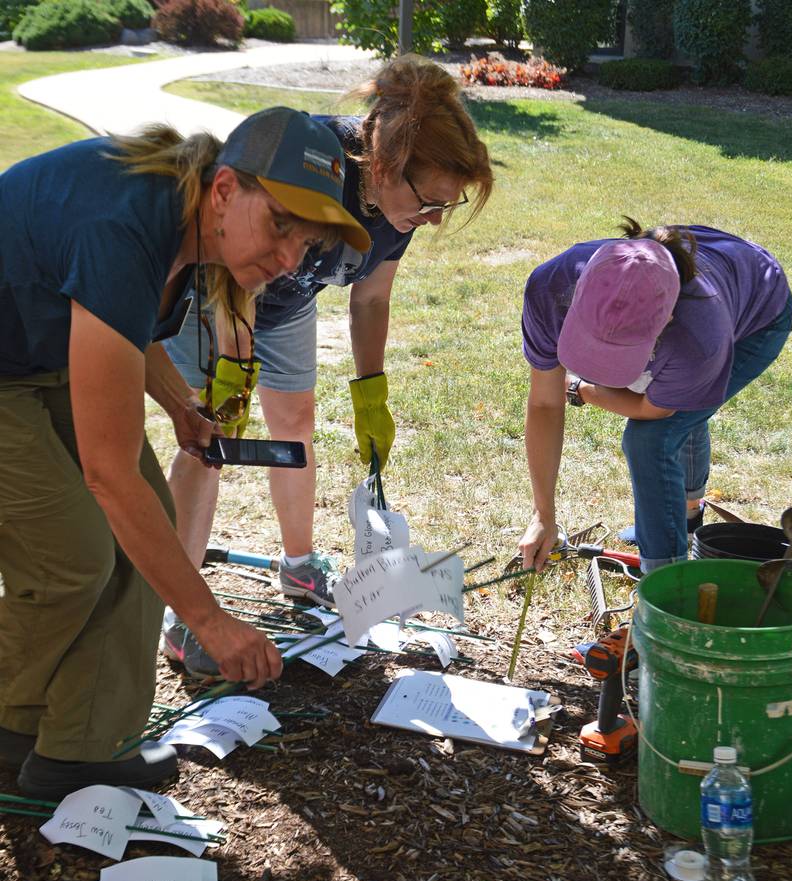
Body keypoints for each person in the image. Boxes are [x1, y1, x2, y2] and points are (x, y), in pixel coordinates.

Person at [0, 107, 369, 798]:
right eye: (282, 225)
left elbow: (125, 321)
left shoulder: (188, 220)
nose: (291, 259)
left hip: (32, 348)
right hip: (9, 363)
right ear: (225, 189)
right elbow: (107, 474)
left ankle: (81, 749)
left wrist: (179, 408)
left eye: (308, 241)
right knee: (73, 555)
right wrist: (209, 621)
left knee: (149, 534)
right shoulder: (123, 223)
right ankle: (9, 718)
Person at [161, 54, 494, 676]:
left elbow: (371, 297)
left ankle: (298, 564)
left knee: (296, 421)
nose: (433, 219)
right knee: (211, 437)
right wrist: (234, 367)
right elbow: (241, 263)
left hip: (288, 298)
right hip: (219, 293)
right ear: (388, 164)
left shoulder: (405, 203)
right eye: (430, 203)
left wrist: (372, 392)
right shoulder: (316, 163)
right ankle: (183, 616)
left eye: (444, 209)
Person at [518, 220, 792, 575]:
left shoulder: (699, 335)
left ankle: (665, 576)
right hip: (724, 284)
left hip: (760, 312)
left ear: (668, 320)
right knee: (682, 407)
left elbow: (656, 411)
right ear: (577, 293)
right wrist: (544, 515)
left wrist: (581, 390)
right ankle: (687, 517)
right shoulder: (551, 287)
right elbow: (543, 403)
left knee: (651, 438)